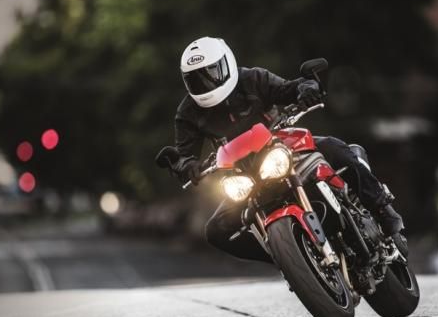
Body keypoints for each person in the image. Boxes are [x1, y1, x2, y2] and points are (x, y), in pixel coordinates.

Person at [171, 36, 403, 263]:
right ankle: (284, 255)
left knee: (337, 148)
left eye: (211, 73)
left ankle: (383, 209)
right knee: (215, 231)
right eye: (196, 79)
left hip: (283, 146)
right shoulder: (188, 112)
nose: (206, 84)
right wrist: (186, 165)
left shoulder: (253, 78)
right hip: (244, 174)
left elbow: (289, 88)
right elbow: (183, 154)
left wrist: (307, 87)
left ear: (227, 62)